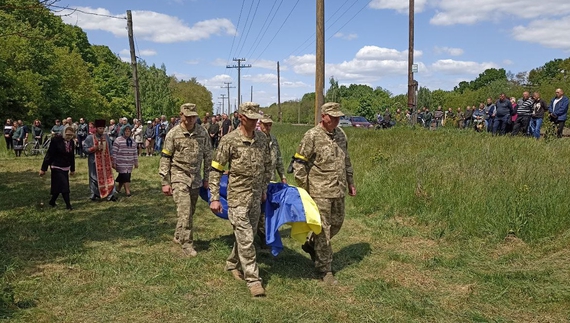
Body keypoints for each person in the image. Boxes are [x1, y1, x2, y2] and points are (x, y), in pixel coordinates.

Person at [209, 102, 272, 297]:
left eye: (256, 120)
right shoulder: (229, 140)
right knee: (245, 238)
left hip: (254, 197)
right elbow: (216, 169)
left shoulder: (262, 139)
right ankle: (253, 280)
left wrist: (263, 189)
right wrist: (214, 197)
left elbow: (267, 166)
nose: (254, 123)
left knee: (248, 236)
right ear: (241, 118)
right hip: (236, 196)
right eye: (250, 119)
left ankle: (232, 263)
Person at [292, 102, 356, 285]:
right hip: (319, 191)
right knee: (323, 230)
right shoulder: (312, 136)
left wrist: (351, 182)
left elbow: (347, 161)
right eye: (333, 116)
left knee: (337, 223)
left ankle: (311, 245)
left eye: (338, 117)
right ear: (323, 116)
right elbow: (299, 164)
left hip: (338, 188)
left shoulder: (341, 135)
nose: (336, 120)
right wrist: (305, 190)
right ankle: (325, 269)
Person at [160, 103, 212, 257]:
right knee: (185, 211)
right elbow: (165, 158)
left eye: (193, 117)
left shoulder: (203, 133)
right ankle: (187, 244)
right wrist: (165, 181)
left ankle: (178, 234)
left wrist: (207, 178)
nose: (190, 120)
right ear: (181, 115)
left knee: (190, 211)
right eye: (187, 116)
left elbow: (208, 156)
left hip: (195, 178)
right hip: (178, 175)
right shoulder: (173, 134)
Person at [256, 114, 287, 248]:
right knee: (259, 209)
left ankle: (265, 235)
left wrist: (283, 176)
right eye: (265, 124)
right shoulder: (256, 138)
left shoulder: (273, 139)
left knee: (268, 208)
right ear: (260, 124)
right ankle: (261, 233)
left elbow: (278, 158)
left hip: (271, 180)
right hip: (258, 180)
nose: (268, 127)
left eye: (270, 125)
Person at [40, 127, 76, 210]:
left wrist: (72, 169)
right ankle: (68, 205)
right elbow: (49, 154)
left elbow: (72, 156)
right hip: (56, 165)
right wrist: (43, 169)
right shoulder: (55, 140)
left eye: (71, 135)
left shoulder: (71, 142)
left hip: (65, 167)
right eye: (67, 135)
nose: (69, 137)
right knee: (64, 185)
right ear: (63, 133)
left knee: (58, 186)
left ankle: (52, 201)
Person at [83, 119, 118, 201]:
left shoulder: (106, 137)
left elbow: (111, 149)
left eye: (103, 128)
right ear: (96, 128)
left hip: (106, 162)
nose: (101, 130)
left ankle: (111, 194)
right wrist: (94, 148)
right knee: (93, 177)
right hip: (94, 161)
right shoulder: (90, 138)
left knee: (109, 177)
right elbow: (85, 149)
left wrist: (112, 160)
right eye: (100, 128)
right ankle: (94, 193)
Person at [112, 124, 138, 197]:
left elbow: (135, 152)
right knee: (126, 176)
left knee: (124, 175)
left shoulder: (132, 141)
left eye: (129, 131)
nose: (127, 132)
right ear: (123, 131)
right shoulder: (118, 140)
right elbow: (114, 152)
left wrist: (136, 162)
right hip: (120, 162)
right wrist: (113, 162)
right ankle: (128, 192)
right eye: (126, 131)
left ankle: (118, 189)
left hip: (129, 162)